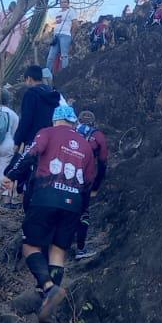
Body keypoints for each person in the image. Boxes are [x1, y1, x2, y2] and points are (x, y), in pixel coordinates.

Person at [3, 104, 96, 321]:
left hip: (46, 195)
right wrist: (82, 210)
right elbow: (89, 180)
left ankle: (47, 287)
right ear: (74, 122)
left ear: (55, 120)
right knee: (58, 250)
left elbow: (31, 154)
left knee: (30, 245)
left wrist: (12, 175)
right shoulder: (85, 145)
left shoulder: (46, 133)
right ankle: (48, 300)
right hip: (73, 201)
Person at [75, 109, 109, 259]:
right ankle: (80, 249)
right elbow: (102, 163)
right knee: (83, 213)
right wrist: (95, 186)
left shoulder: (70, 132)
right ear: (94, 122)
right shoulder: (98, 136)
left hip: (63, 176)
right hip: (85, 179)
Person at [14, 65, 63, 151]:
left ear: (29, 78)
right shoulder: (53, 93)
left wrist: (17, 141)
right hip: (50, 140)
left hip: (33, 140)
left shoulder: (31, 94)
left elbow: (26, 119)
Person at [46, 0, 74, 75]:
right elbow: (56, 23)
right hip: (56, 35)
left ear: (68, 3)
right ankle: (47, 74)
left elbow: (75, 24)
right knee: (51, 56)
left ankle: (64, 74)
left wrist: (71, 34)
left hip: (65, 35)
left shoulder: (71, 11)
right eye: (61, 2)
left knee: (64, 55)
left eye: (65, 2)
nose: (63, 4)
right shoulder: (58, 12)